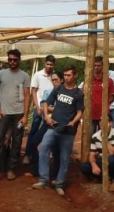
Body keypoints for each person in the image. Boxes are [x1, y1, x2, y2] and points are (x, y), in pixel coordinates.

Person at [32, 66, 84, 197]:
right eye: (65, 75)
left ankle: (59, 184)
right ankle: (43, 179)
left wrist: (73, 122)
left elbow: (79, 112)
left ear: (75, 76)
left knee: (64, 158)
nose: (66, 78)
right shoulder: (58, 89)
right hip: (53, 127)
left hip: (68, 131)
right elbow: (45, 104)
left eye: (69, 75)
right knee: (43, 149)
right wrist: (47, 117)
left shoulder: (78, 93)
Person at [0, 49, 31, 183]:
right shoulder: (1, 74)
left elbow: (27, 96)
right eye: (10, 59)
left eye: (15, 60)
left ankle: (11, 169)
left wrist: (25, 116)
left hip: (19, 115)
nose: (12, 62)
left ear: (19, 60)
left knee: (16, 142)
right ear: (7, 60)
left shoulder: (24, 76)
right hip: (3, 115)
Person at [25, 55, 56, 164]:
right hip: (39, 107)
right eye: (47, 64)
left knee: (49, 130)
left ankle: (49, 154)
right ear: (44, 63)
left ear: (53, 65)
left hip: (50, 109)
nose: (49, 66)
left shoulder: (54, 76)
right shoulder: (38, 75)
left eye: (51, 65)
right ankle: (27, 154)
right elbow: (33, 91)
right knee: (34, 130)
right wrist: (37, 107)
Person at [81, 128, 114, 192]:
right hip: (103, 161)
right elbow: (91, 154)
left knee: (111, 159)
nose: (102, 124)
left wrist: (104, 138)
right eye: (100, 121)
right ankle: (104, 178)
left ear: (110, 123)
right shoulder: (95, 136)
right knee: (84, 166)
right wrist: (94, 165)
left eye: (106, 122)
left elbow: (112, 152)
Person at [80, 56, 114, 132]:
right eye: (95, 65)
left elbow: (112, 97)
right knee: (90, 137)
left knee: (103, 136)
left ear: (103, 66)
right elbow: (83, 95)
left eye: (98, 65)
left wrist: (104, 105)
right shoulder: (88, 80)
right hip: (90, 114)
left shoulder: (109, 81)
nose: (96, 67)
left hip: (104, 115)